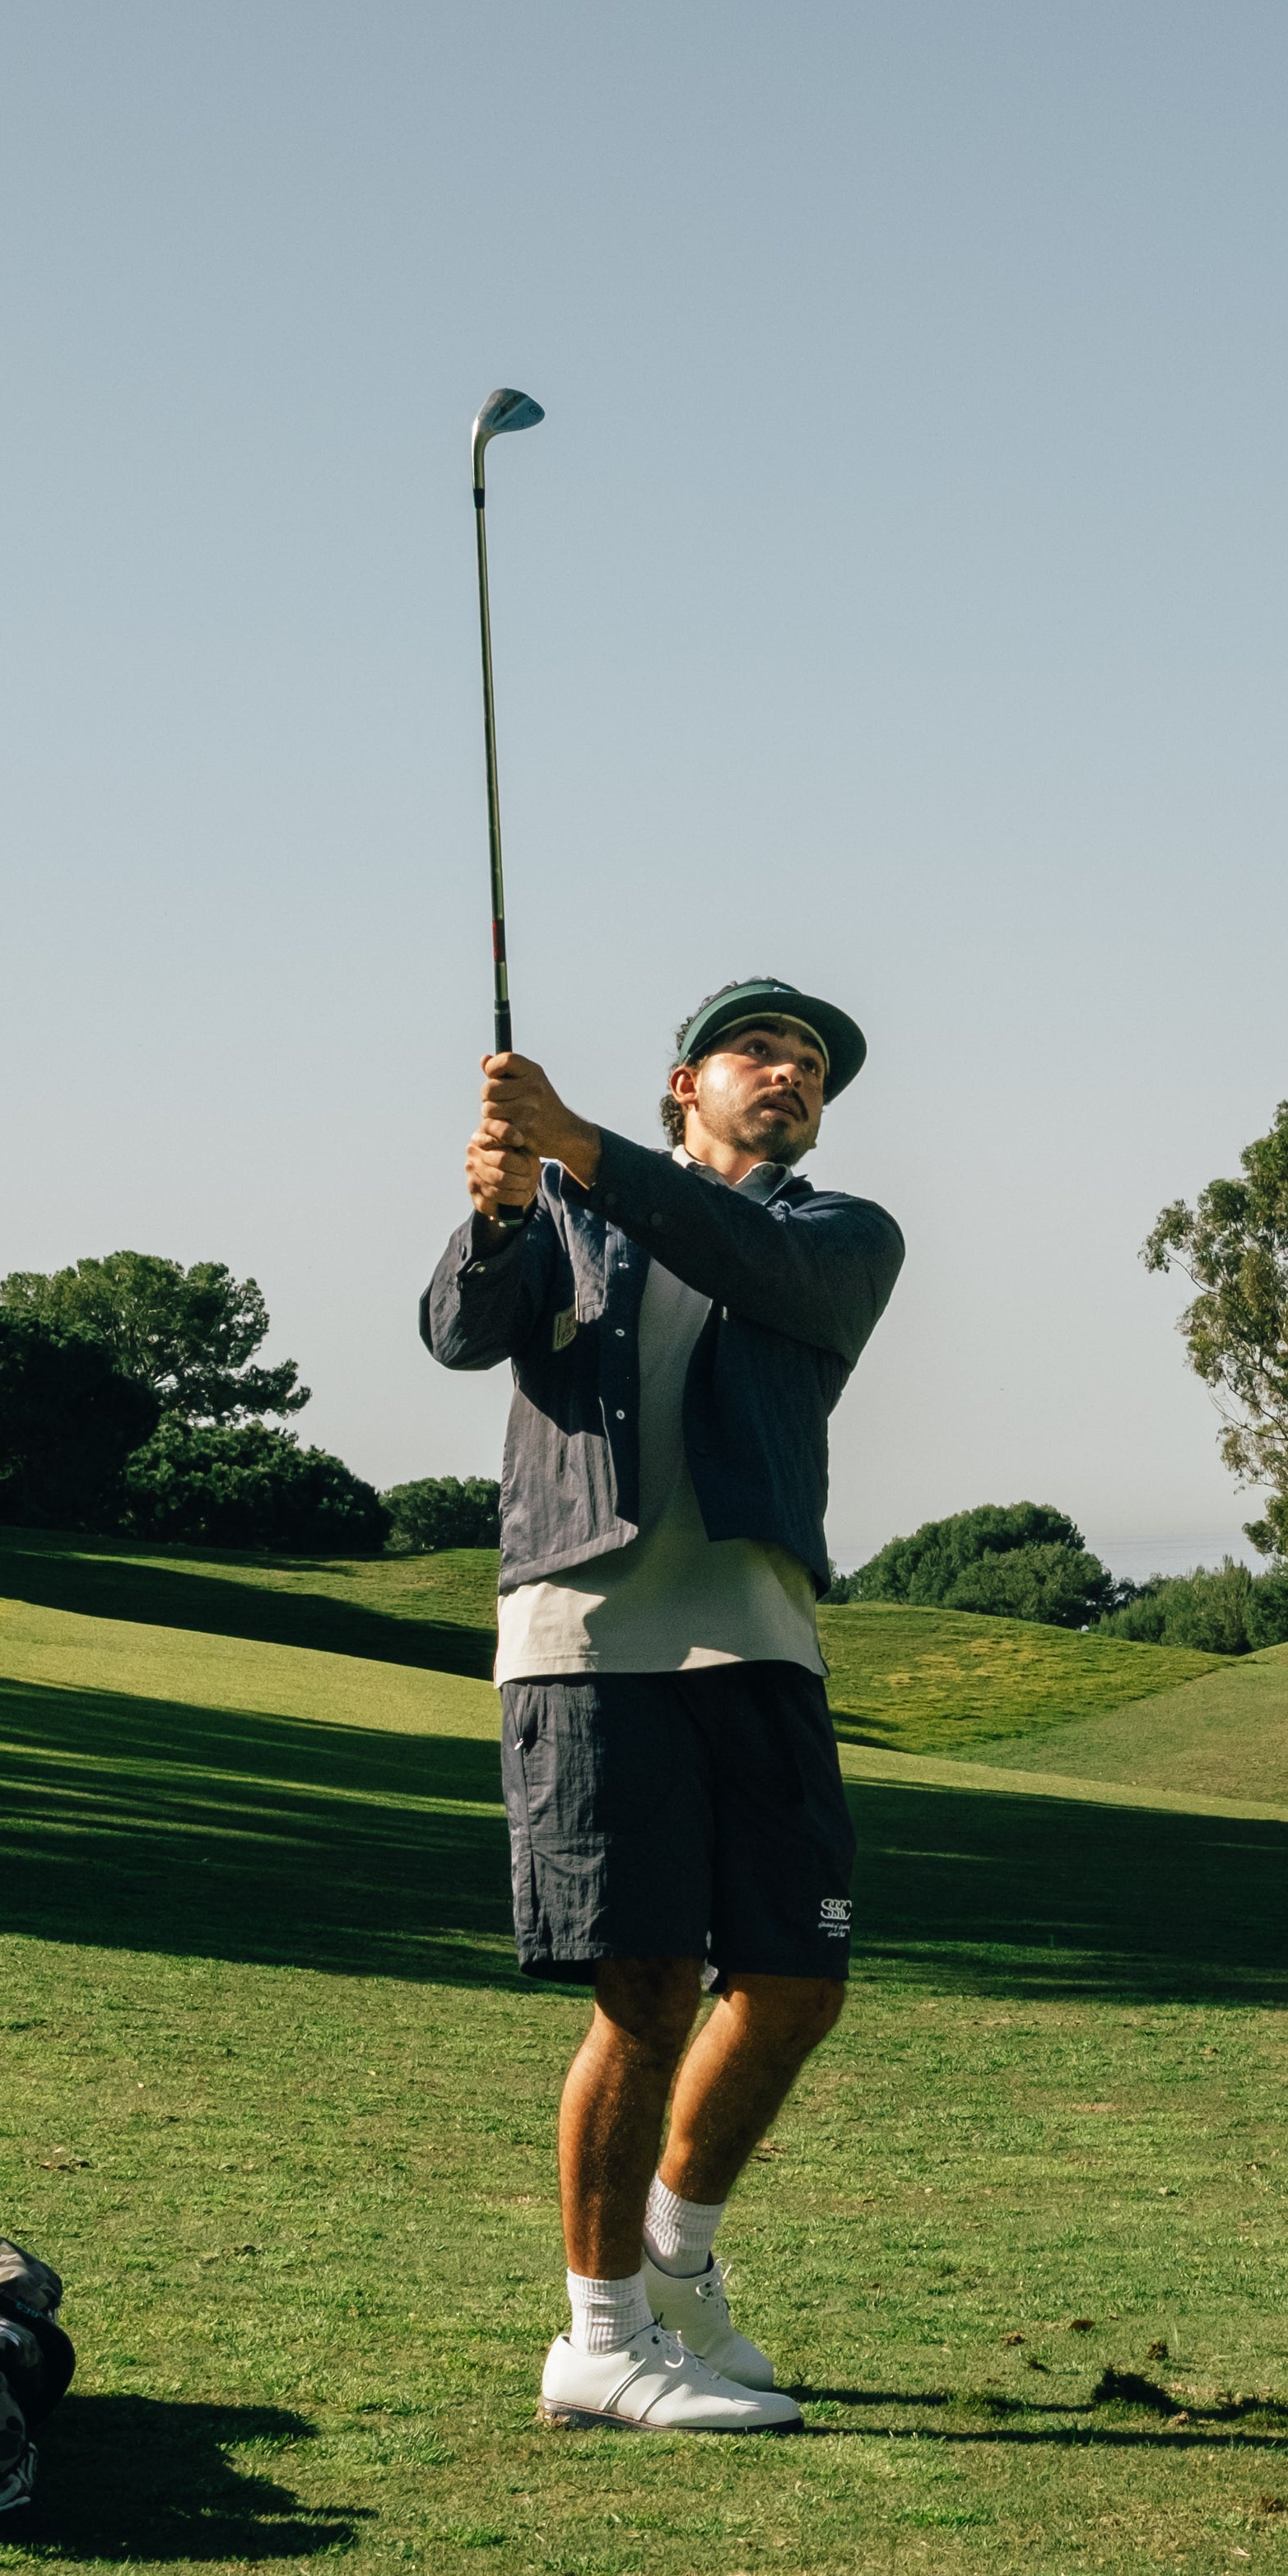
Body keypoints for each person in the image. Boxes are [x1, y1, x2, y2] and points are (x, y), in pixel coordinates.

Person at [421, 979, 902, 2434]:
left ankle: (676, 2269)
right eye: (761, 1051)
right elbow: (457, 1328)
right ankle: (601, 2339)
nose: (792, 1073)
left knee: (796, 1984)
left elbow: (745, 1254)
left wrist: (576, 1147)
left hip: (757, 1638)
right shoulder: (568, 1210)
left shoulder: (838, 1235)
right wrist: (505, 1205)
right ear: (683, 1083)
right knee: (643, 1994)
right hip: (587, 1633)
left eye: (813, 1064)